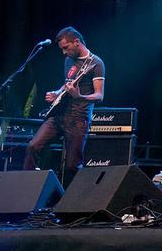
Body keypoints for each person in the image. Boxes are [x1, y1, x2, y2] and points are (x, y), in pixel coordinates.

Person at [24, 27, 105, 186]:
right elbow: (68, 83)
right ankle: (27, 187)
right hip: (59, 114)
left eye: (66, 48)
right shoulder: (68, 60)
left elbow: (99, 95)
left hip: (78, 119)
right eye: (62, 49)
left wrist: (79, 96)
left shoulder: (96, 63)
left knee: (72, 165)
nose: (64, 52)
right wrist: (57, 92)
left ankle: (69, 198)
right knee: (33, 146)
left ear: (76, 42)